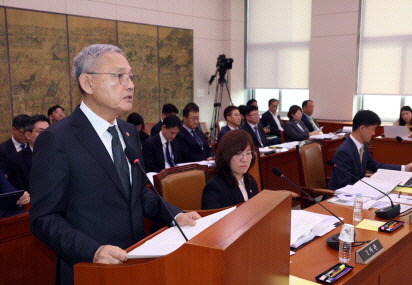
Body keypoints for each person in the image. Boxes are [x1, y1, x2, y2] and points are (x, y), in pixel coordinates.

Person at [29, 44, 200, 285]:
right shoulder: (58, 138)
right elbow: (43, 219)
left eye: (130, 76)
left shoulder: (128, 132)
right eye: (119, 76)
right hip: (91, 270)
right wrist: (92, 251)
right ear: (87, 83)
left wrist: (175, 215)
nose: (130, 84)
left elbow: (138, 194)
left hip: (136, 261)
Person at [329, 110, 412, 190]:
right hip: (338, 197)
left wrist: (404, 168)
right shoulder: (344, 152)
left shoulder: (362, 146)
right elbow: (344, 185)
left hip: (356, 192)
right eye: (373, 129)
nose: (374, 133)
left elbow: (375, 166)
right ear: (362, 128)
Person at [202, 130, 259, 209]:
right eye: (238, 153)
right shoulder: (215, 187)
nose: (244, 159)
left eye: (248, 153)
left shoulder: (250, 180)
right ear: (225, 155)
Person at [7, 115, 50, 191]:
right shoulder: (16, 161)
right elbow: (19, 192)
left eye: (48, 131)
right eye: (40, 132)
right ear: (28, 135)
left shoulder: (60, 155)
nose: (46, 135)